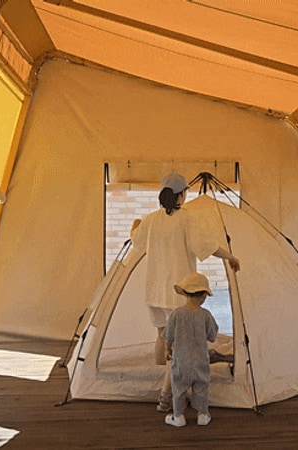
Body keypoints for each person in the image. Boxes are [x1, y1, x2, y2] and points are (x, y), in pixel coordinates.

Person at [130, 171, 240, 413]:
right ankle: (166, 394)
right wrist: (230, 256)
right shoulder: (187, 219)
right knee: (178, 346)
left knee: (161, 336)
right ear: (181, 195)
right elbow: (207, 246)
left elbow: (135, 239)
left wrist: (135, 224)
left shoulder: (151, 220)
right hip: (177, 293)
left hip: (154, 291)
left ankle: (157, 380)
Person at [163, 272, 218, 427]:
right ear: (203, 296)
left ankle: (178, 416)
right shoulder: (206, 315)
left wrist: (166, 350)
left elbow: (168, 336)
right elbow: (212, 336)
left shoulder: (176, 314)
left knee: (178, 387)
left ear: (185, 294)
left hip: (181, 361)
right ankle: (202, 415)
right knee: (202, 387)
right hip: (201, 361)